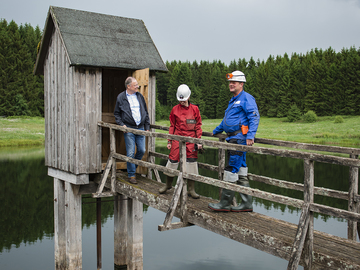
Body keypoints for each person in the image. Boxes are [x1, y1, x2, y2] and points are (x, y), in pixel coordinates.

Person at [208, 71, 260, 212]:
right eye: (230, 82)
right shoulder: (233, 99)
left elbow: (254, 117)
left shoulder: (246, 98)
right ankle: (246, 204)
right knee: (241, 171)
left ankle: (225, 203)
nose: (231, 85)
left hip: (239, 139)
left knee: (231, 170)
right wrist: (217, 130)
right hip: (232, 138)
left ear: (241, 84)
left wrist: (251, 135)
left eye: (234, 82)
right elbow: (227, 120)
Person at [159, 84, 203, 199]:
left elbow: (198, 126)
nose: (182, 102)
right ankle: (168, 185)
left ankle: (191, 190)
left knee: (192, 163)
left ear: (188, 97)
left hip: (191, 140)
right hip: (177, 138)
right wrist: (169, 140)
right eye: (180, 100)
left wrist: (198, 141)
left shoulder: (195, 109)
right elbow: (172, 126)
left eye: (183, 100)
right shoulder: (174, 109)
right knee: (172, 161)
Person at [114, 77, 150, 184]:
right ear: (128, 86)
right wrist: (122, 125)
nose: (137, 86)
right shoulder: (121, 97)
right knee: (130, 152)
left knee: (142, 150)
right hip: (129, 128)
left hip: (141, 128)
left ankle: (132, 168)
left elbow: (145, 112)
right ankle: (131, 175)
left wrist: (147, 127)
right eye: (135, 85)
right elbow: (117, 114)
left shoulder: (140, 96)